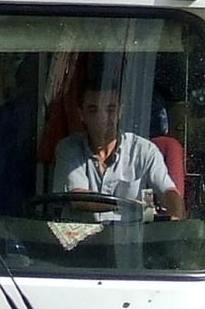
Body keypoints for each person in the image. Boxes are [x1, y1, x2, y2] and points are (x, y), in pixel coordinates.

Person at [50, 76, 185, 220]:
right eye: (93, 110)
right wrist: (127, 205)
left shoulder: (145, 151)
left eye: (110, 109)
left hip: (132, 241)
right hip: (84, 241)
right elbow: (78, 199)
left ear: (120, 111)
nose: (102, 118)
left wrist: (176, 216)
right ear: (81, 114)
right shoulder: (69, 149)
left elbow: (168, 191)